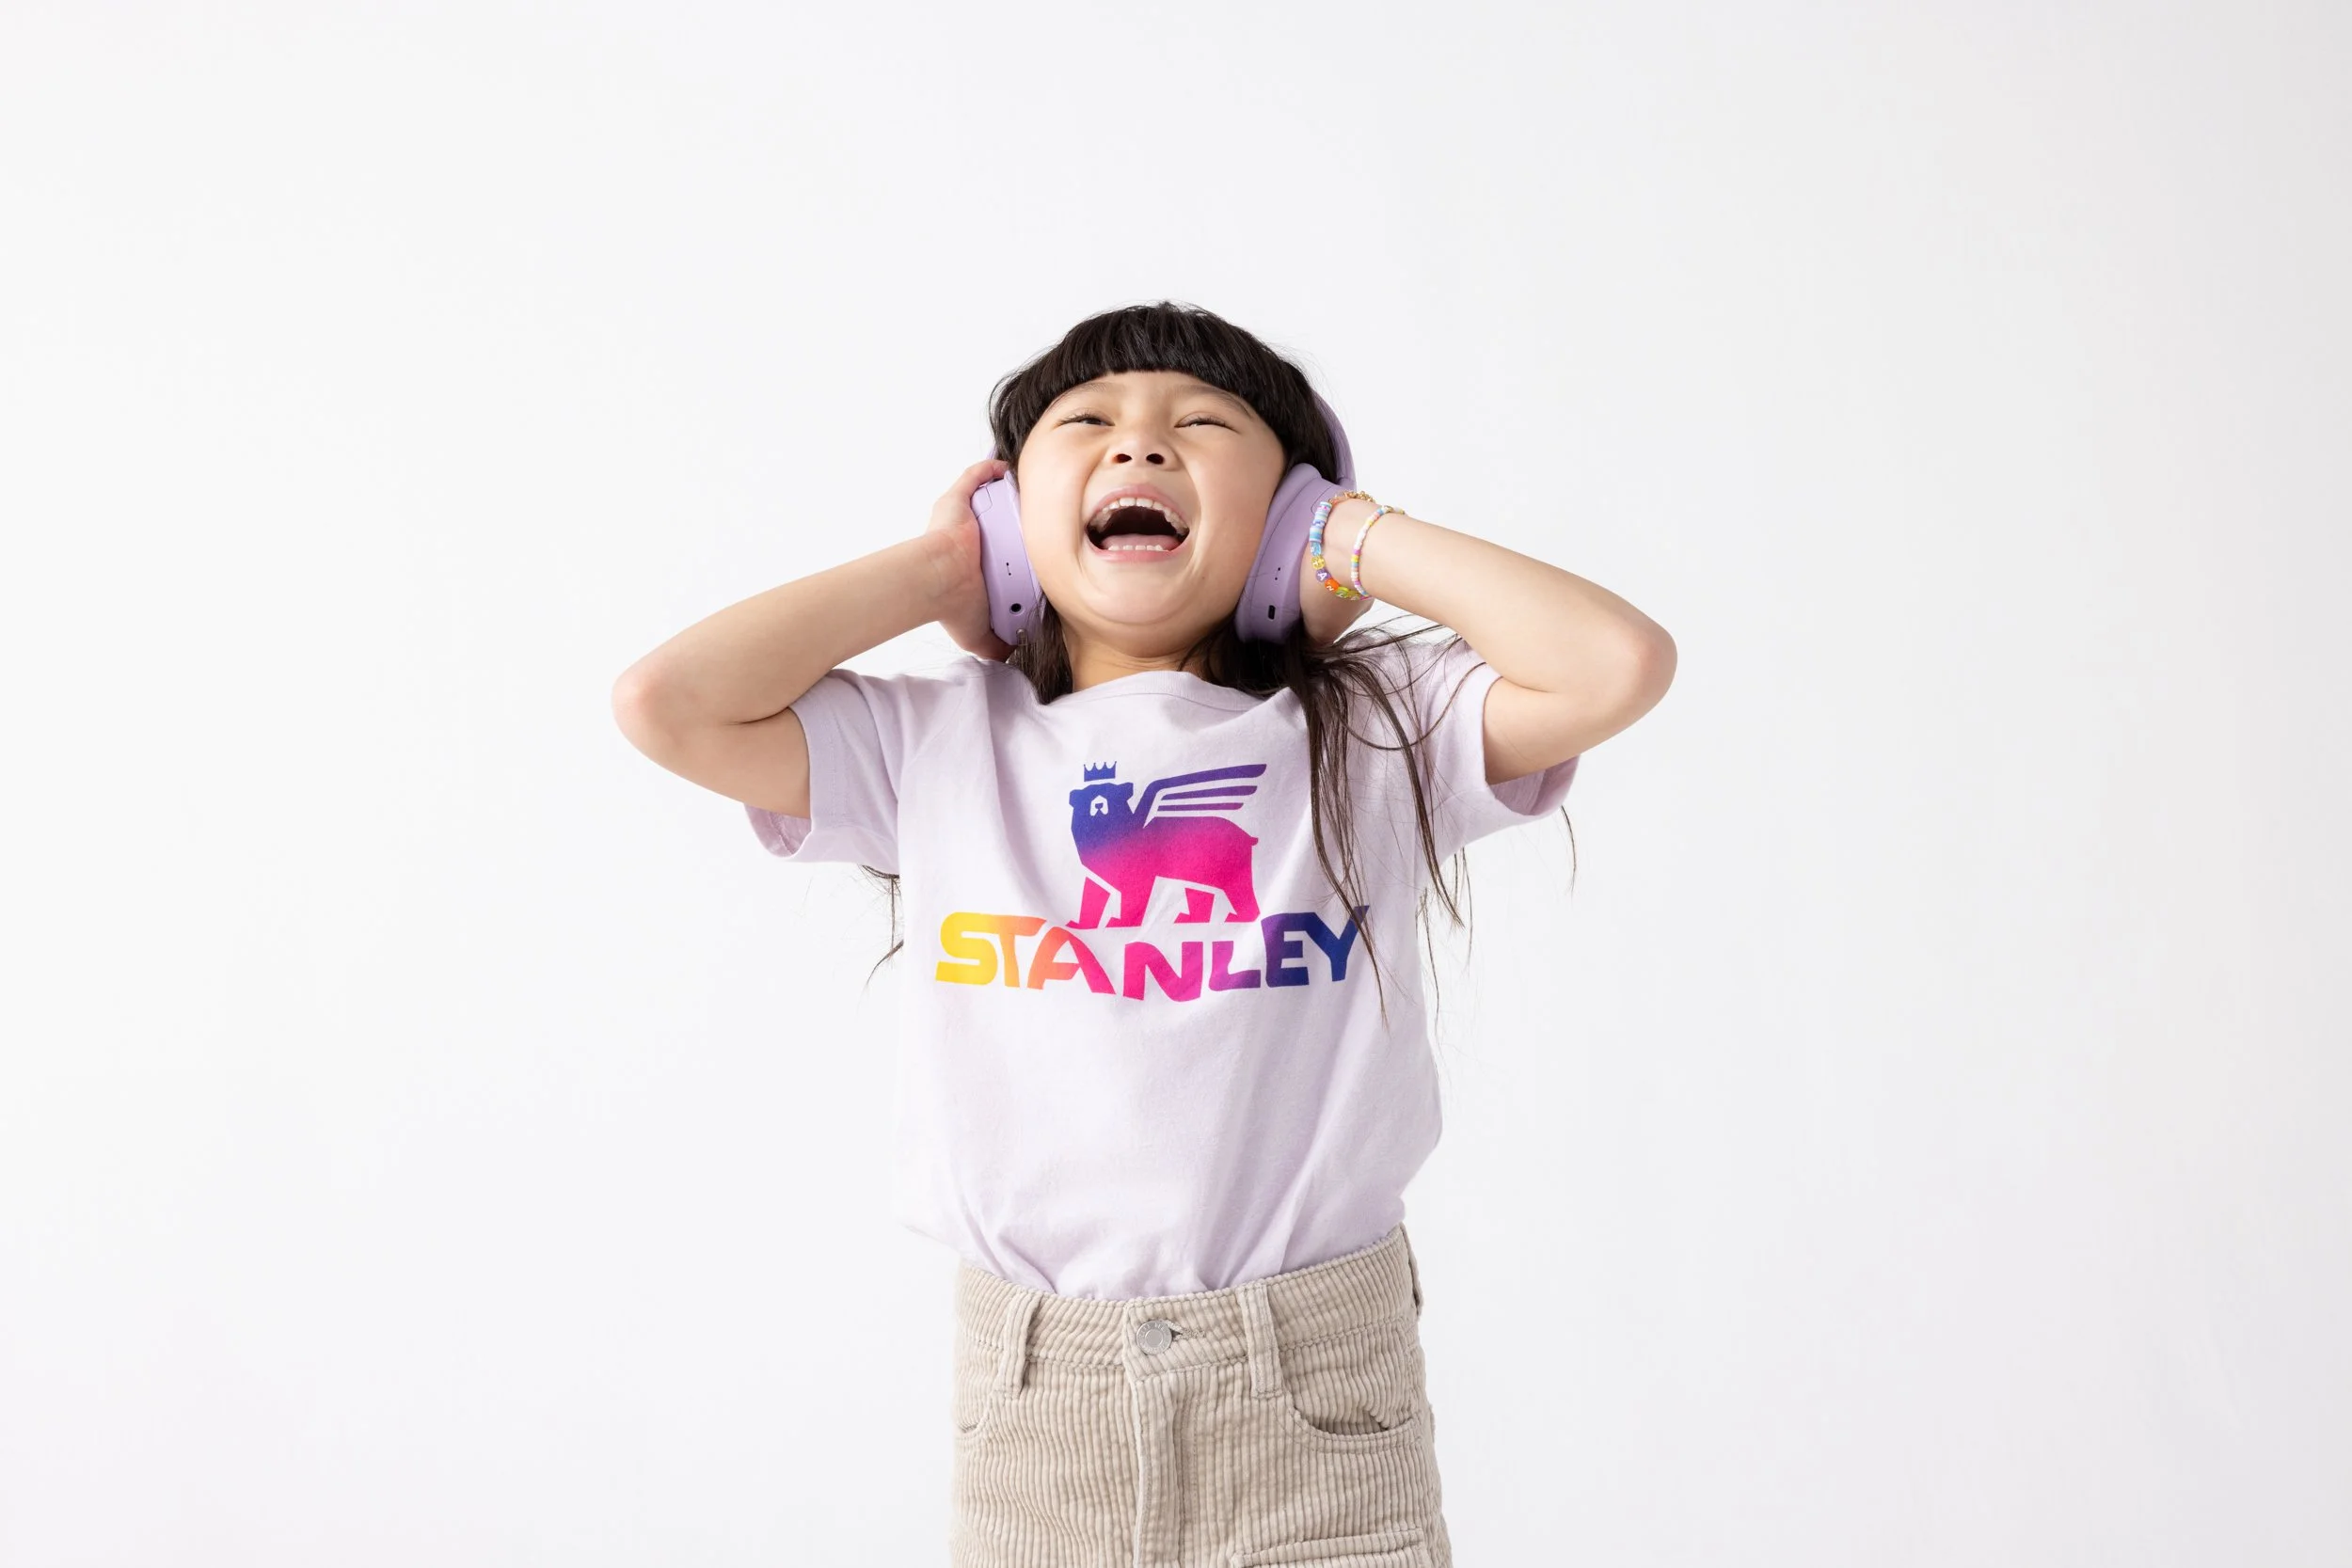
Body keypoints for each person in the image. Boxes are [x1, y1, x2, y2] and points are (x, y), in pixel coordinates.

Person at [612, 301, 1676, 1567]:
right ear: (1013, 520)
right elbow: (668, 702)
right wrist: (942, 571)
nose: (1140, 445)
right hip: (1038, 1409)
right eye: (1088, 423)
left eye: (1205, 424)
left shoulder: (1374, 729)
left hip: (1318, 1408)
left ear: (1282, 520)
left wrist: (1346, 536)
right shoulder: (933, 742)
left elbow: (1614, 662)